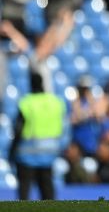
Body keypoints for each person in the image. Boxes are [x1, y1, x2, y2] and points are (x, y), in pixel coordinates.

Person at [9, 72, 66, 200]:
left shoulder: (27, 103)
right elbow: (63, 128)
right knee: (47, 188)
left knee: (24, 189)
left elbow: (18, 129)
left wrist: (12, 152)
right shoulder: (55, 102)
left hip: (27, 154)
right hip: (49, 153)